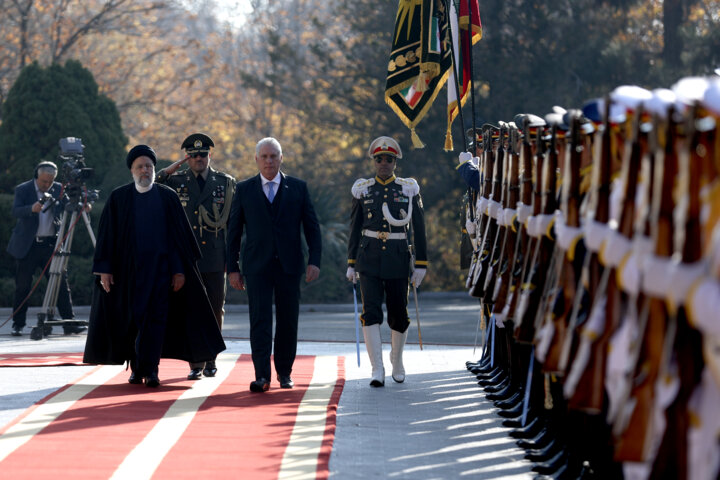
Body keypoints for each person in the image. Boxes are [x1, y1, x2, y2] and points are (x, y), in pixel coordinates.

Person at [83, 145, 225, 388]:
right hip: (127, 275)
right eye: (140, 166)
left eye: (149, 166)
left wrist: (179, 270)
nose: (145, 170)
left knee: (155, 321)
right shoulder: (119, 198)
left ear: (154, 169)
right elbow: (107, 236)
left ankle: (151, 370)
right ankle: (137, 369)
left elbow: (178, 240)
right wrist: (104, 270)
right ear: (132, 170)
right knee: (133, 322)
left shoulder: (167, 197)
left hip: (160, 273)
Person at [227, 137, 322, 393]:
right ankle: (262, 376)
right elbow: (233, 231)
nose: (269, 161)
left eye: (274, 156)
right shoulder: (244, 189)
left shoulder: (298, 188)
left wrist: (314, 260)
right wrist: (232, 268)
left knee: (288, 320)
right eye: (264, 157)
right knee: (259, 320)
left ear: (281, 158)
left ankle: (284, 372)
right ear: (256, 159)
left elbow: (312, 227)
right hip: (257, 266)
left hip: (290, 265)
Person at [346, 136, 428, 387]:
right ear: (374, 161)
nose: (384, 163)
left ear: (395, 162)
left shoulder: (407, 189)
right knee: (370, 312)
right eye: (379, 159)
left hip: (397, 258)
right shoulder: (364, 189)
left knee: (398, 313)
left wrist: (421, 265)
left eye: (389, 159)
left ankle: (397, 360)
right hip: (368, 258)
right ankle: (377, 368)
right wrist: (351, 262)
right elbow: (355, 226)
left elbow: (419, 228)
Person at [155, 133, 235, 380]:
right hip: (187, 257)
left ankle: (211, 357)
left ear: (209, 155)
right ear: (186, 158)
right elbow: (152, 188)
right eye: (192, 155)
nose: (198, 158)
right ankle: (195, 362)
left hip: (214, 256)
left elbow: (233, 226)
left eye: (202, 154)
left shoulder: (225, 182)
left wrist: (233, 262)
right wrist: (166, 171)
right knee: (190, 309)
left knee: (214, 308)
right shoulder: (176, 181)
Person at [7, 161, 83, 336]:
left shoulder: (58, 188)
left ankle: (69, 323)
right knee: (23, 286)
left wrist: (82, 206)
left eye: (50, 181)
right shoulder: (23, 189)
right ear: (36, 177)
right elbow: (15, 211)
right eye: (43, 182)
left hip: (51, 244)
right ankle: (18, 324)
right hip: (28, 245)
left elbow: (68, 206)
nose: (47, 185)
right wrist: (30, 209)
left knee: (60, 283)